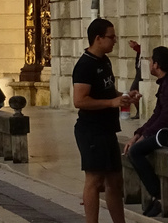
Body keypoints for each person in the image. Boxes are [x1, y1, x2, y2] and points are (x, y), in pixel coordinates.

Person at [72, 17, 127, 223]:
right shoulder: (85, 65)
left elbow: (107, 91)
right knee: (94, 180)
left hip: (107, 129)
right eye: (111, 37)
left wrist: (123, 96)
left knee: (115, 180)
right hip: (91, 130)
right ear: (98, 38)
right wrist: (112, 103)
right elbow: (80, 100)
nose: (115, 41)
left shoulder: (105, 60)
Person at [123, 46, 168, 218]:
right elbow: (156, 115)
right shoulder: (166, 82)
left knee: (136, 151)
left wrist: (144, 136)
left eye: (151, 60)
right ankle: (156, 195)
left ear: (157, 64)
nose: (149, 63)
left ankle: (158, 196)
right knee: (134, 146)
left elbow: (165, 119)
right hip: (165, 130)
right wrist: (138, 133)